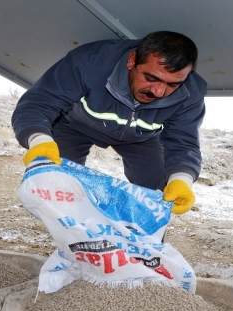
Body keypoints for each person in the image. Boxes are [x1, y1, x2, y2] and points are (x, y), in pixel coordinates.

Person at [12, 31, 207, 215]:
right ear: (132, 60)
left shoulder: (192, 92)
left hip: (141, 137)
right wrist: (38, 140)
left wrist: (182, 178)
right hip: (75, 125)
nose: (157, 92)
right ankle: (76, 243)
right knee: (59, 185)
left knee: (158, 194)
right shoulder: (88, 61)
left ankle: (139, 248)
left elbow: (183, 141)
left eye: (173, 84)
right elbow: (39, 103)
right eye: (150, 78)